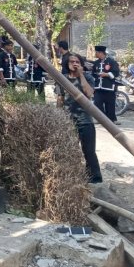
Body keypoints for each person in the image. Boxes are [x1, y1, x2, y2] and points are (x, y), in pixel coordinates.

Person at [56, 55, 102, 184]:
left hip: (85, 119)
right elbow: (60, 99)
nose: (74, 63)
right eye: (72, 61)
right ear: (67, 64)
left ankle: (95, 179)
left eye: (77, 62)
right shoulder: (62, 79)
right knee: (68, 150)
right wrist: (59, 116)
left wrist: (81, 75)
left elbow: (89, 93)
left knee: (89, 151)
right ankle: (71, 176)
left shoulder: (87, 77)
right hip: (68, 119)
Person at [91, 45, 120, 124]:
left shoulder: (111, 62)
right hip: (98, 87)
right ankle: (101, 119)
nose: (95, 54)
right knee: (97, 103)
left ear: (101, 53)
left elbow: (116, 73)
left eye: (96, 52)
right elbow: (93, 73)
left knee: (110, 104)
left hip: (109, 87)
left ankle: (111, 120)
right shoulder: (96, 63)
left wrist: (107, 74)